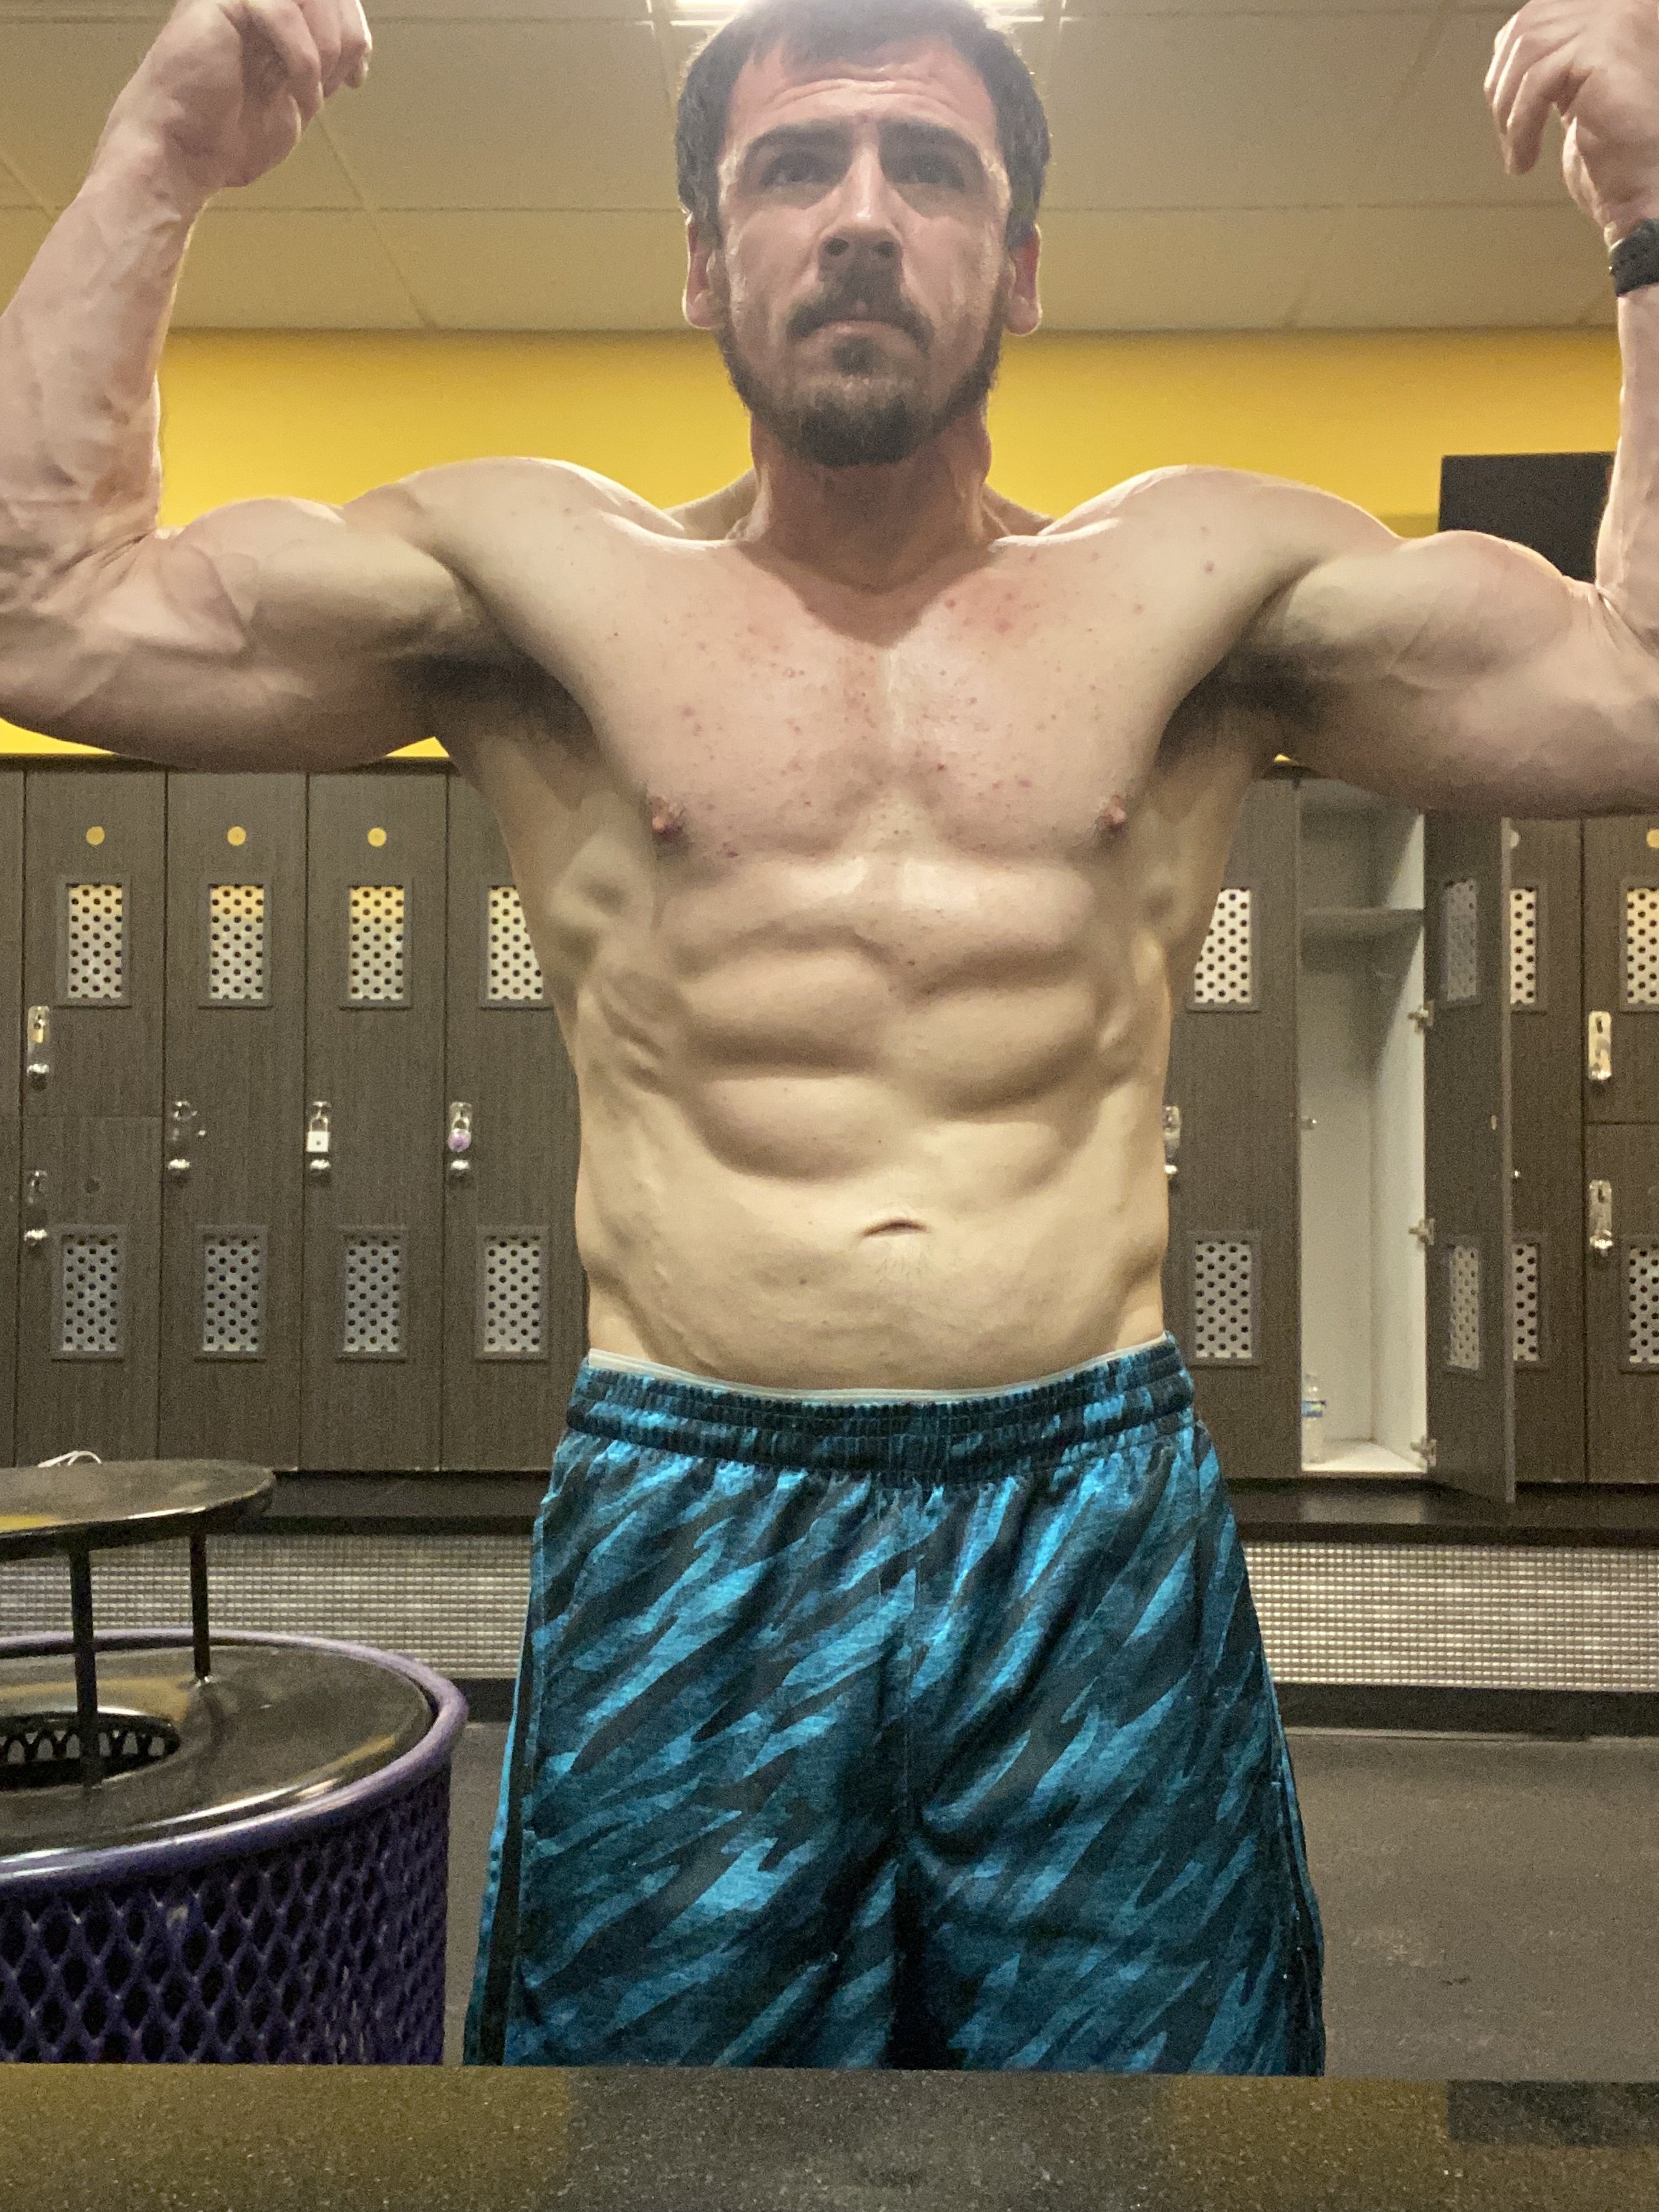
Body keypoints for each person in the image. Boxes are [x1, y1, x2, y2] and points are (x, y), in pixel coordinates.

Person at [1, 0, 1657, 2075]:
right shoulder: (530, 583)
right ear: (705, 262)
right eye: (795, 167)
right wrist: (156, 156)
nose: (860, 218)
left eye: (928, 168)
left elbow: (1633, 696)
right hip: (691, 1506)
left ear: (1019, 265)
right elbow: (45, 607)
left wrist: (1648, 213)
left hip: (1084, 1517)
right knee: (652, 2138)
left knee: (1158, 2133)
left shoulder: (1205, 582)